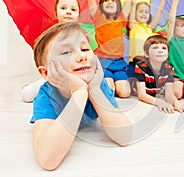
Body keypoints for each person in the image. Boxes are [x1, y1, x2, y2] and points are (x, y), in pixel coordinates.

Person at [30, 22, 132, 170]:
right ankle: (29, 88)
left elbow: (125, 136)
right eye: (66, 52)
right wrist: (79, 92)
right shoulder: (46, 96)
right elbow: (47, 159)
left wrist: (94, 90)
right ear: (46, 73)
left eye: (85, 49)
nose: (82, 56)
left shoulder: (98, 84)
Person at [21, 0, 81, 102]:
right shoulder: (52, 36)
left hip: (74, 77)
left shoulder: (81, 36)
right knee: (27, 95)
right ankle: (28, 86)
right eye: (63, 8)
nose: (68, 11)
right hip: (54, 76)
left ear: (78, 15)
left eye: (73, 9)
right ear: (56, 13)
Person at [85, 0, 134, 98]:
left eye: (113, 0)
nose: (110, 2)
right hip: (103, 62)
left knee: (124, 93)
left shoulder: (121, 17)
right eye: (106, 0)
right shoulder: (97, 16)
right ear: (101, 5)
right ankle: (103, 80)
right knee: (109, 92)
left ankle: (113, 80)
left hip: (118, 63)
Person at [132, 35, 184, 115]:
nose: (160, 51)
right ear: (146, 53)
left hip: (156, 89)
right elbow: (142, 95)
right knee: (125, 90)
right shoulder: (141, 67)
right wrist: (159, 102)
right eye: (155, 48)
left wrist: (177, 103)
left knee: (175, 93)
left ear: (168, 54)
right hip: (139, 88)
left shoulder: (169, 68)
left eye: (164, 48)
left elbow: (169, 94)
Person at [126, 0, 168, 78]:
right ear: (135, 13)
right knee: (131, 80)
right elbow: (133, 5)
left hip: (148, 62)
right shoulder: (133, 26)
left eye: (146, 12)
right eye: (140, 11)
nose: (144, 14)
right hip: (135, 61)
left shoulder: (150, 28)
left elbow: (160, 12)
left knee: (147, 81)